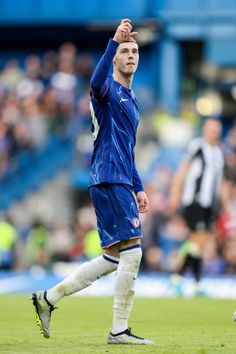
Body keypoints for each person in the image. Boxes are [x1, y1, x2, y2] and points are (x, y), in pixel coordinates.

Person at [31, 19, 154, 345]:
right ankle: (118, 331)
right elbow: (95, 80)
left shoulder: (132, 99)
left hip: (120, 178)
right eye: (124, 51)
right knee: (134, 253)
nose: (130, 55)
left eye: (134, 51)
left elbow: (128, 149)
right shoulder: (106, 90)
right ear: (114, 57)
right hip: (110, 177)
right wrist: (113, 41)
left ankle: (48, 298)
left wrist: (138, 186)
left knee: (114, 257)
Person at [168, 118, 226, 295]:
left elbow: (219, 183)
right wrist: (174, 195)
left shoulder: (218, 153)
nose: (214, 133)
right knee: (198, 239)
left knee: (198, 244)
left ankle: (193, 282)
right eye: (211, 130)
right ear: (204, 130)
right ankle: (181, 279)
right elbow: (182, 171)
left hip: (209, 205)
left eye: (216, 130)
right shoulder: (197, 147)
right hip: (195, 200)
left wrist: (224, 206)